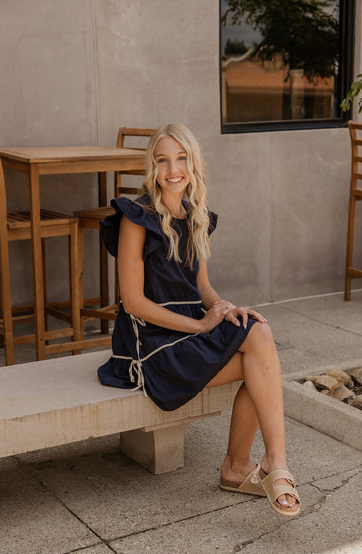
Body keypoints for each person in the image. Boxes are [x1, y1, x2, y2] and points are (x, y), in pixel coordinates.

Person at [98, 123, 300, 517]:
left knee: (257, 333)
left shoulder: (197, 216)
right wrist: (201, 326)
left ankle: (270, 462)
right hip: (149, 346)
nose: (173, 169)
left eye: (181, 158)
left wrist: (224, 307)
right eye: (162, 161)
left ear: (193, 163)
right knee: (261, 360)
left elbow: (202, 287)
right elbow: (133, 302)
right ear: (152, 167)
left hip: (187, 331)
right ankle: (244, 467)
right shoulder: (136, 218)